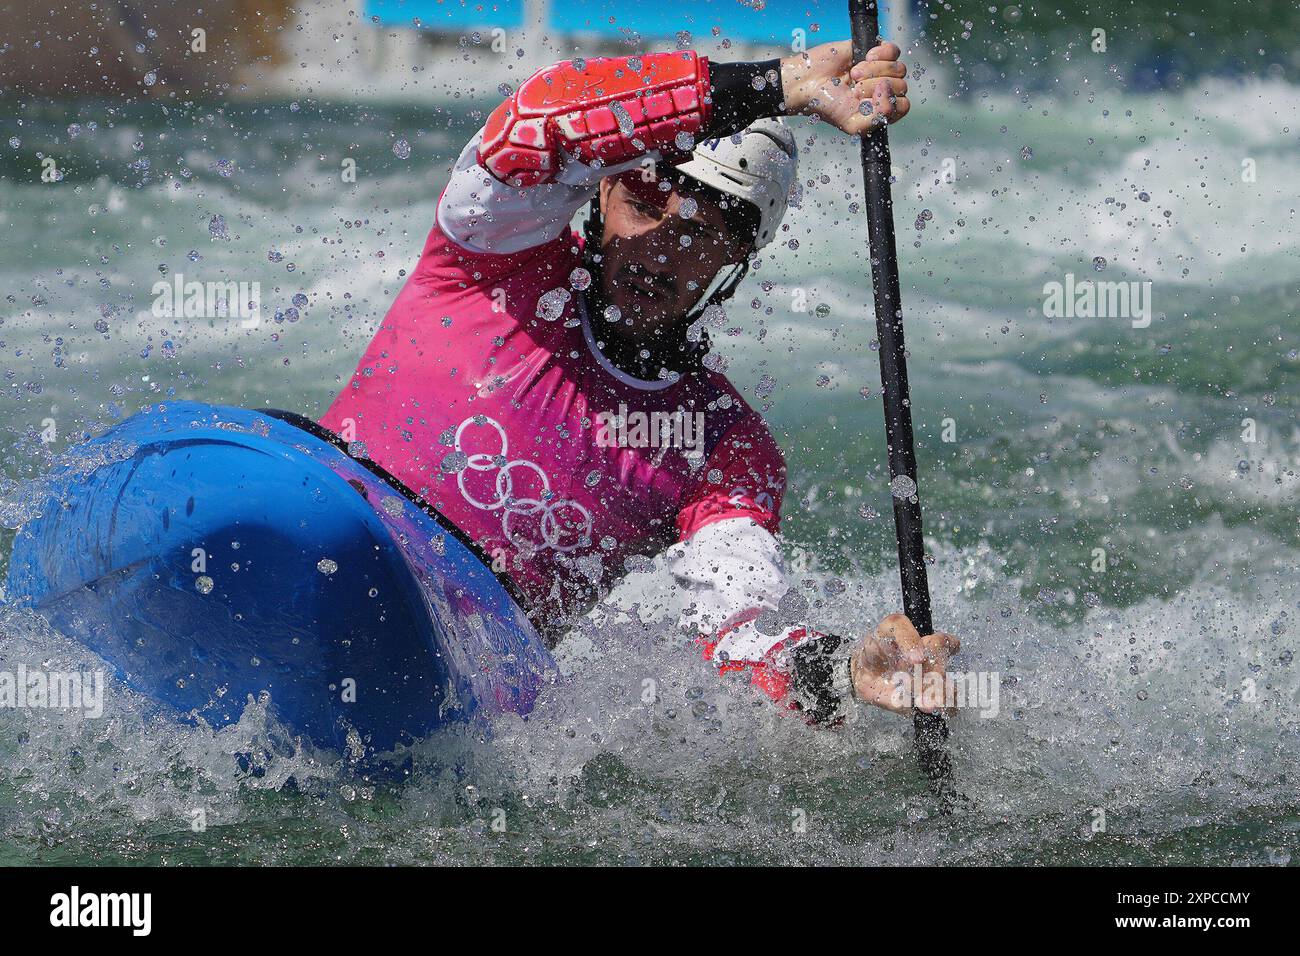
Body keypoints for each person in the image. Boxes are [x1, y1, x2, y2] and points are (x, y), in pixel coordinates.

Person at [321, 39, 959, 725]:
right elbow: (538, 120)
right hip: (327, 517)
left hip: (454, 669)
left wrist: (840, 669)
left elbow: (739, 627)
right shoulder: (493, 255)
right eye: (647, 200)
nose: (661, 244)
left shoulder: (722, 448)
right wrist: (786, 83)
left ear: (738, 256)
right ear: (601, 188)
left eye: (703, 229)